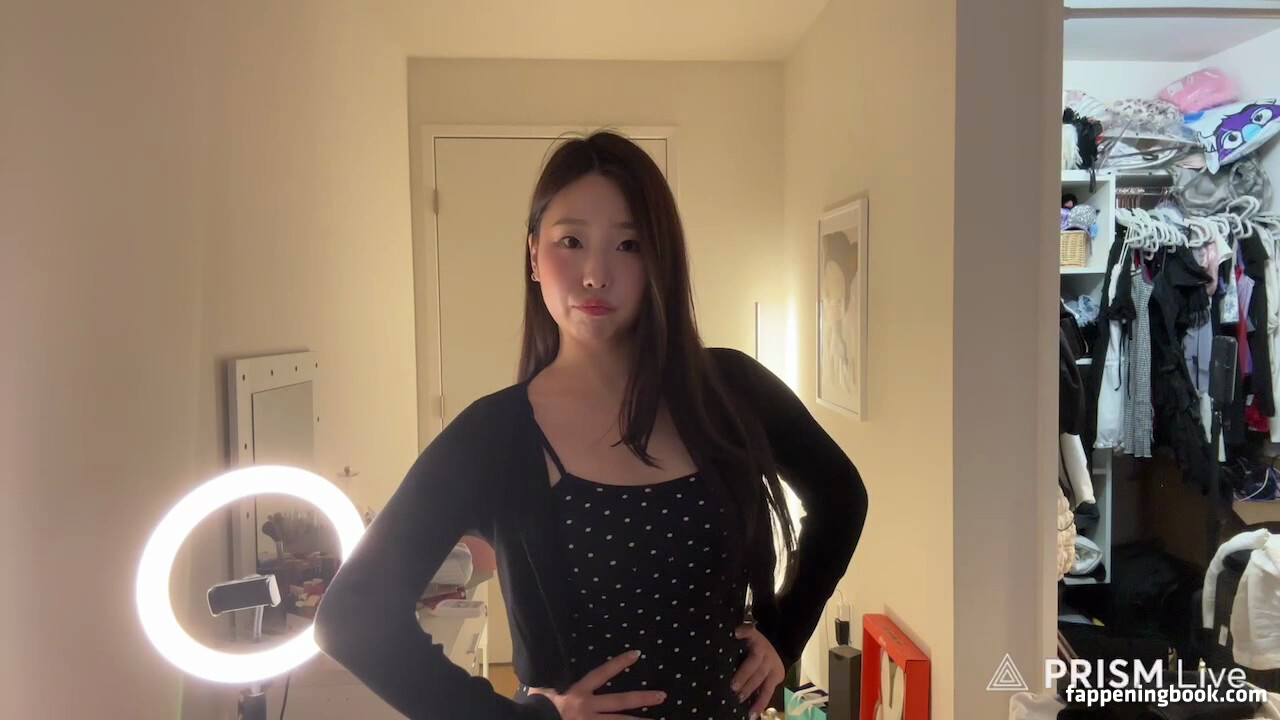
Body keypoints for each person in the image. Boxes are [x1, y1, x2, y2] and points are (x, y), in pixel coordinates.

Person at [314, 130, 868, 720]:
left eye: (629, 245)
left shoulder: (731, 389)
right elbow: (353, 616)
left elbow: (841, 498)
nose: (596, 274)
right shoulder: (494, 435)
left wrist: (785, 635)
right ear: (534, 255)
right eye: (571, 241)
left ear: (660, 260)